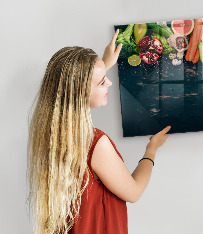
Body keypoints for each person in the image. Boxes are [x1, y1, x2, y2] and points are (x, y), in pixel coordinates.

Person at [27, 30, 171, 234]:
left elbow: (76, 85)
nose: (109, 83)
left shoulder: (50, 132)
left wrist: (104, 64)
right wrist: (151, 149)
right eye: (102, 81)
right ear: (81, 92)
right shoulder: (95, 143)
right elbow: (134, 192)